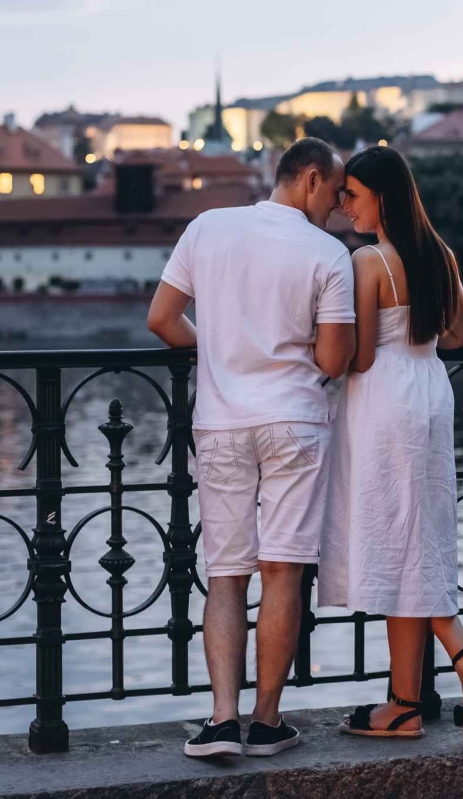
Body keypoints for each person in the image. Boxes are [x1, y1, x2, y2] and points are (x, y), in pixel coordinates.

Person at [148, 137, 356, 759]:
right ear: (311, 178)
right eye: (337, 191)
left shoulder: (207, 227)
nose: (341, 205)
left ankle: (220, 722)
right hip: (293, 420)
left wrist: (214, 350)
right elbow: (333, 358)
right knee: (283, 569)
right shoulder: (329, 253)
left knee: (226, 574)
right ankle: (266, 723)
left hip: (221, 422)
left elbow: (161, 319)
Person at [317, 145, 463, 746]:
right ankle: (404, 702)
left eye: (354, 196)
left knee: (397, 538)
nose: (344, 207)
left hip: (385, 399)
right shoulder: (438, 253)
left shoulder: (369, 260)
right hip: (430, 390)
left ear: (382, 198)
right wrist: (417, 334)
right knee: (417, 535)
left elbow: (362, 356)